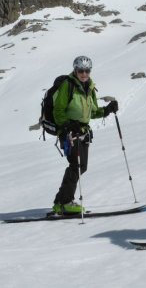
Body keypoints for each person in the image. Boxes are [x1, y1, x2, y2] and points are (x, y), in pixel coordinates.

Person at [51, 55, 118, 214]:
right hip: (68, 131)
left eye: (87, 70)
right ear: (75, 70)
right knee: (76, 165)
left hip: (82, 131)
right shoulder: (68, 85)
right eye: (81, 70)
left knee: (82, 166)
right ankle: (65, 202)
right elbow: (58, 111)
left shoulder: (89, 87)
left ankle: (60, 202)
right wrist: (68, 124)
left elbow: (92, 112)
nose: (84, 74)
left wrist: (107, 110)